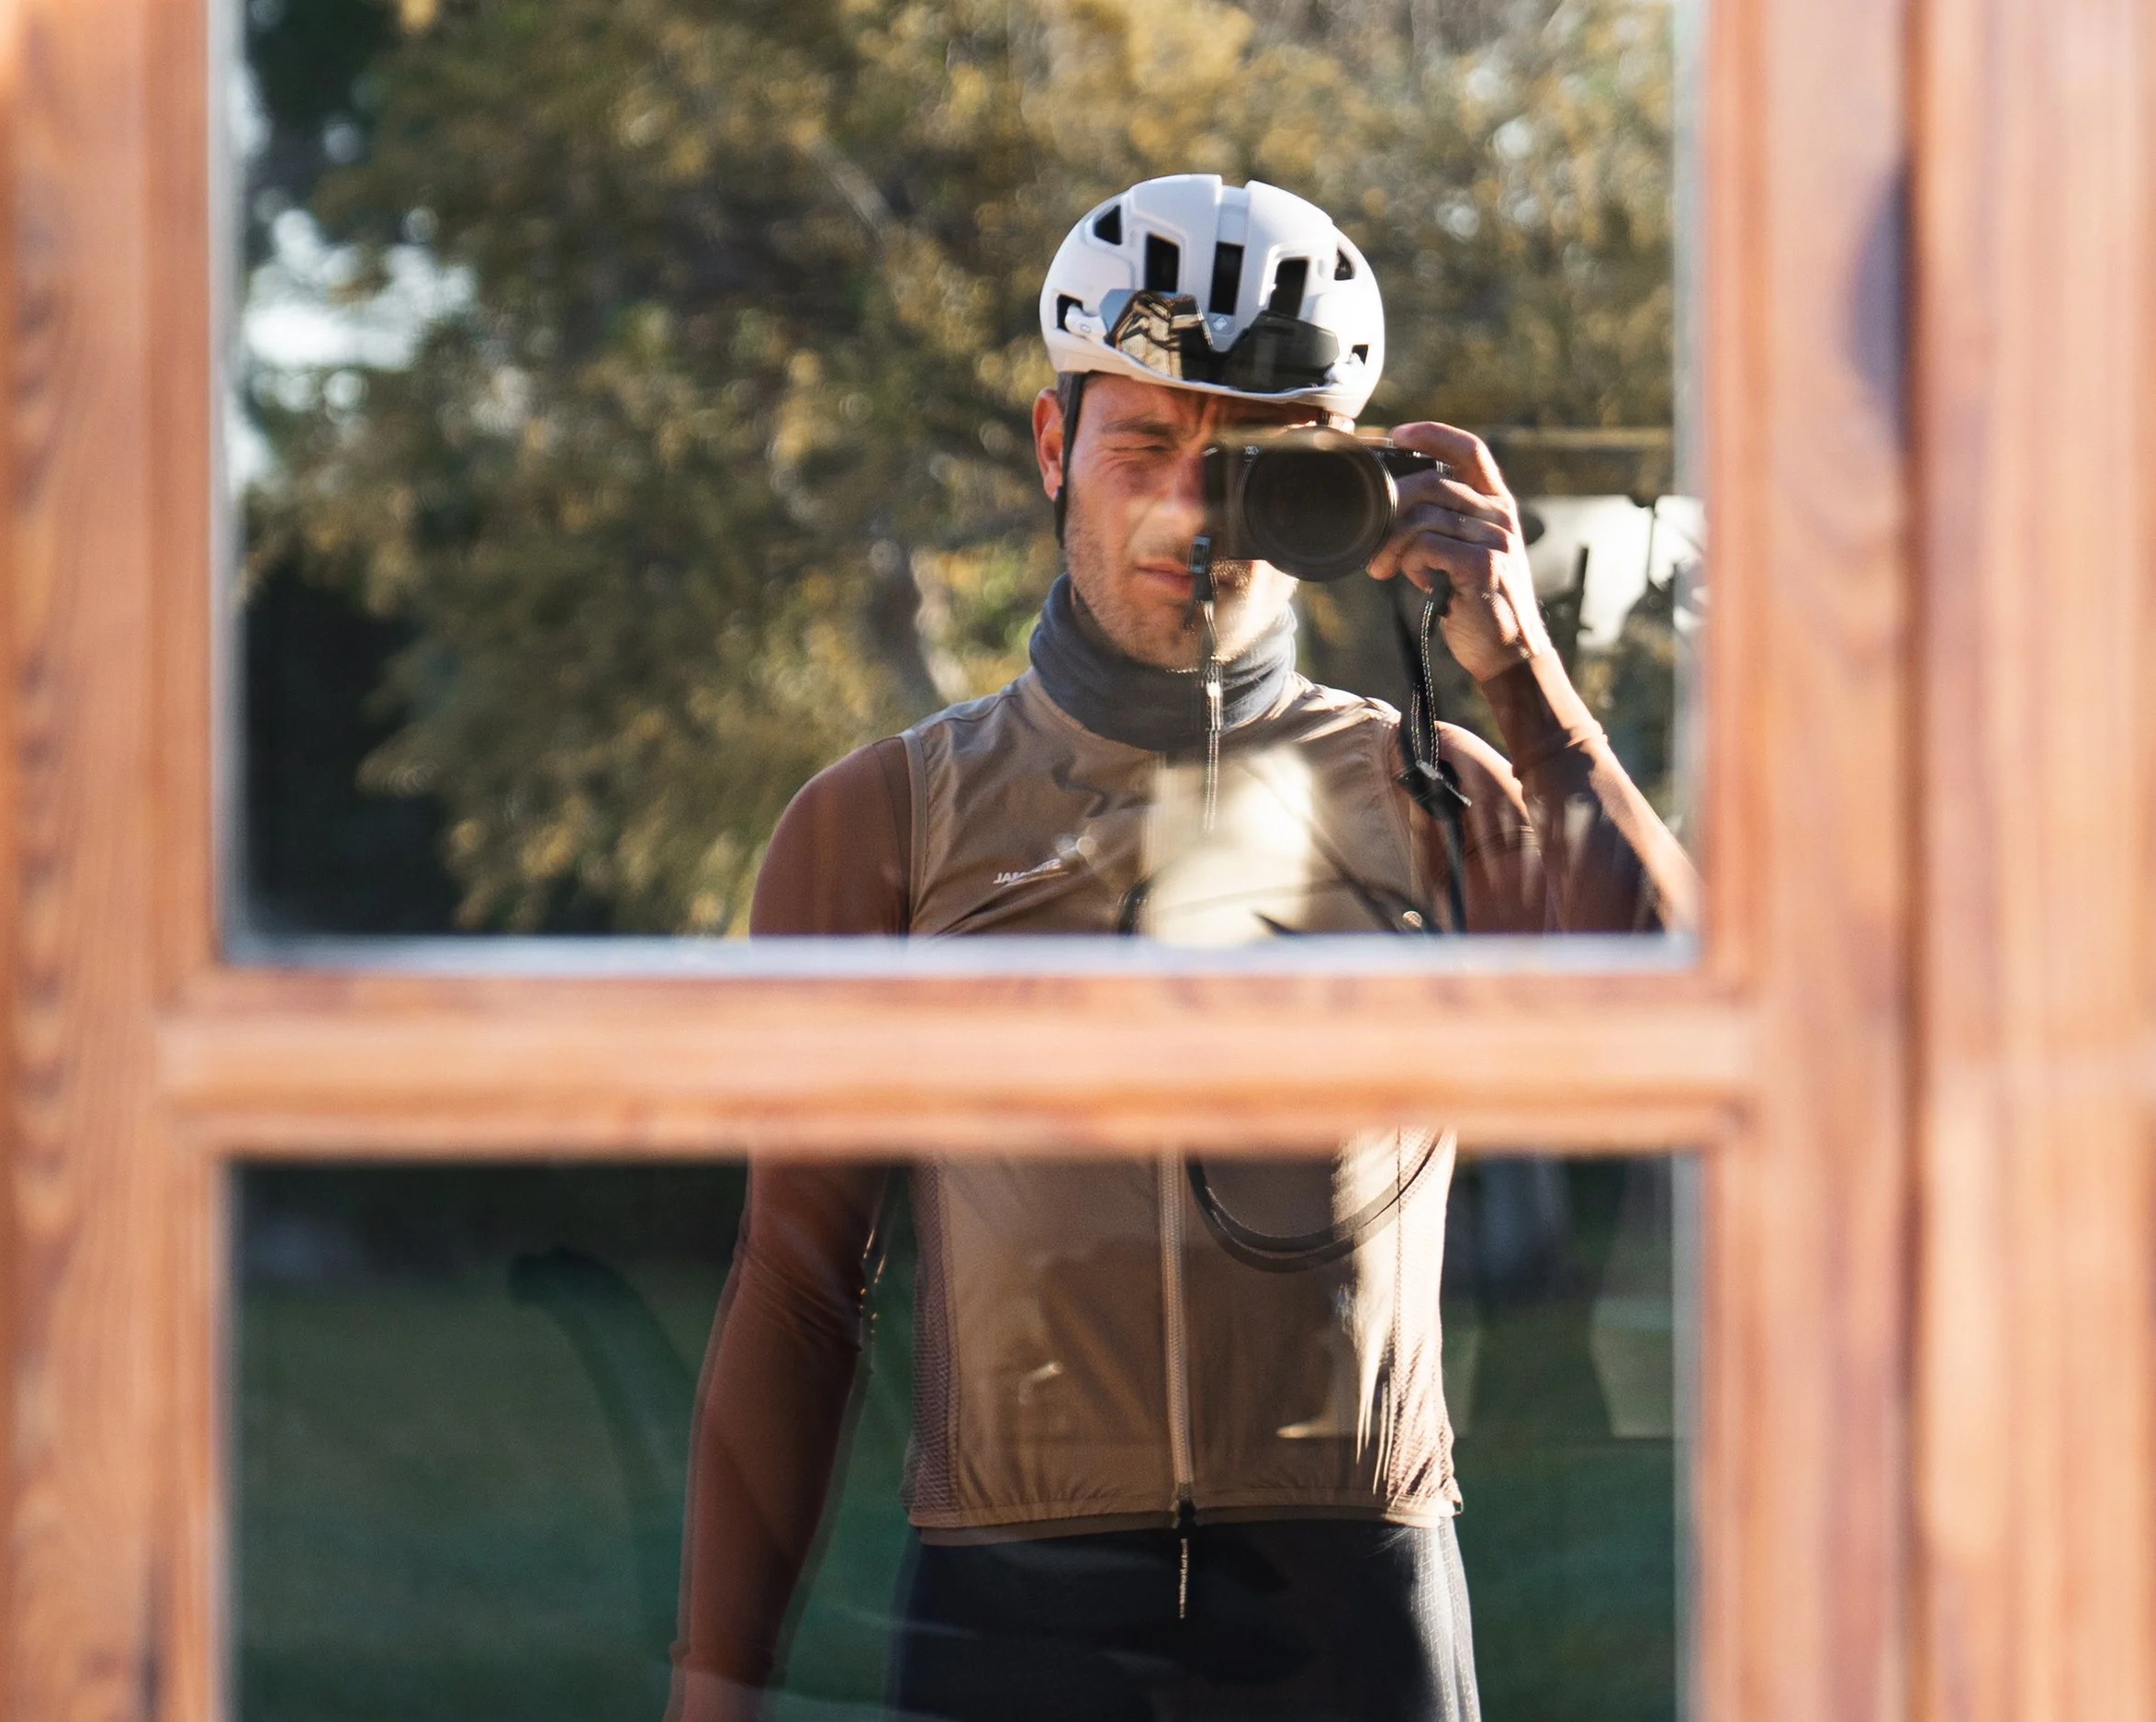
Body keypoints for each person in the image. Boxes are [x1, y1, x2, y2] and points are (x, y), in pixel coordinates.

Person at [667, 174, 1697, 1722]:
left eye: (1246, 463)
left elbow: (1705, 1037)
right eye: (1145, 441)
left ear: (1337, 482)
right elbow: (802, 1288)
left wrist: (1518, 661)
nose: (1184, 508)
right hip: (1010, 1613)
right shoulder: (883, 818)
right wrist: (712, 1689)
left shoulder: (1431, 788)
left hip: (1363, 1607)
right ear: (1051, 447)